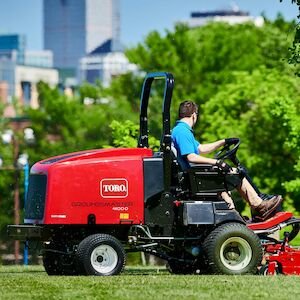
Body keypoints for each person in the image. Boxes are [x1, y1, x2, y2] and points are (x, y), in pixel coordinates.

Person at [171, 100, 283, 221]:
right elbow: (191, 157)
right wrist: (217, 162)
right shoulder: (182, 132)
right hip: (192, 177)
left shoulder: (180, 130)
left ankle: (234, 216)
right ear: (194, 115)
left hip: (192, 174)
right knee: (236, 173)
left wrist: (223, 141)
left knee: (227, 183)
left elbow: (200, 148)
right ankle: (258, 206)